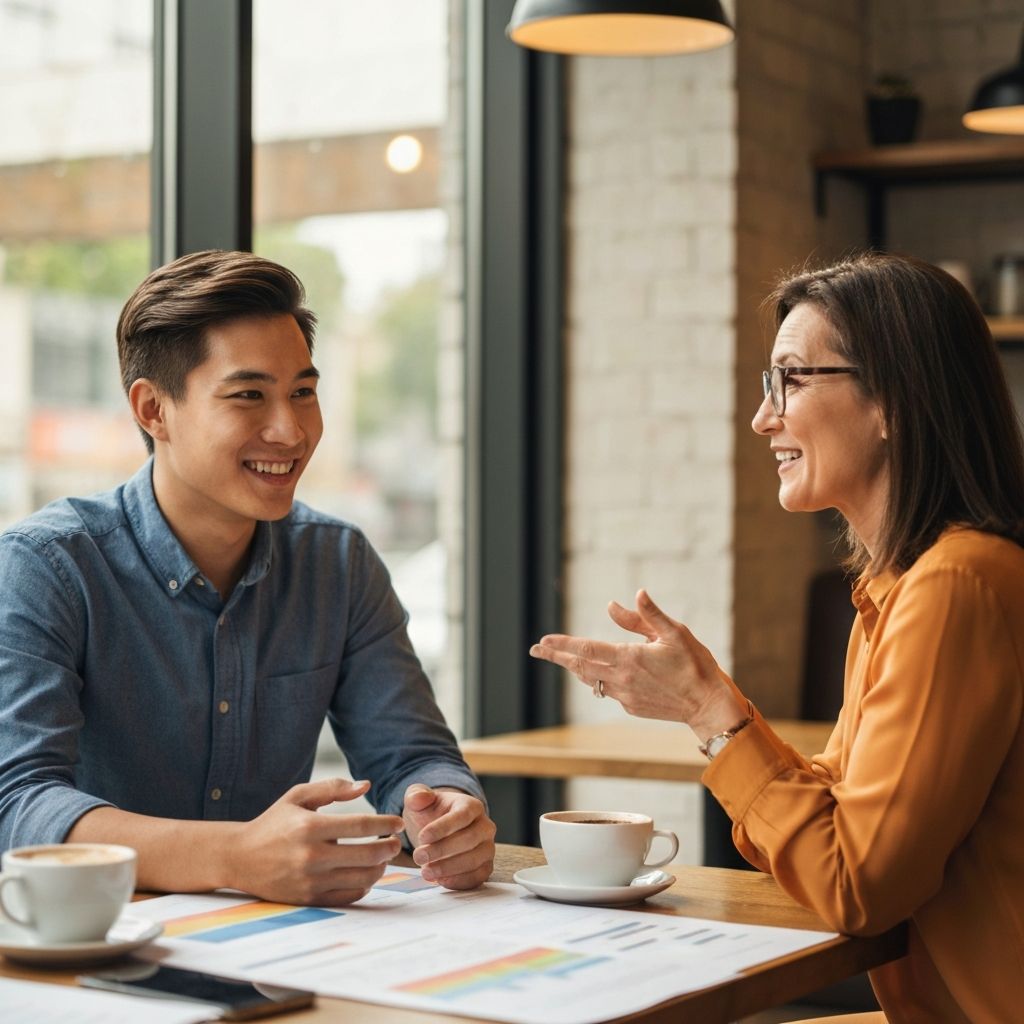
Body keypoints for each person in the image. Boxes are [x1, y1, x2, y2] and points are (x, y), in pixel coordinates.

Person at [531, 252, 1024, 1023]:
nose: (765, 417)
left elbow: (852, 887)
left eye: (790, 379)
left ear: (893, 398)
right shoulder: (899, 590)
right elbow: (833, 825)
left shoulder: (952, 586)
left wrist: (710, 715)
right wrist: (715, 712)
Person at [0, 249, 495, 905]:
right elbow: (18, 806)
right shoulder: (46, 566)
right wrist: (235, 856)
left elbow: (410, 756)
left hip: (269, 949)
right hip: (89, 950)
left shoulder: (338, 564)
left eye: (303, 393)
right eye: (248, 396)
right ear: (153, 410)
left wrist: (444, 809)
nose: (289, 430)